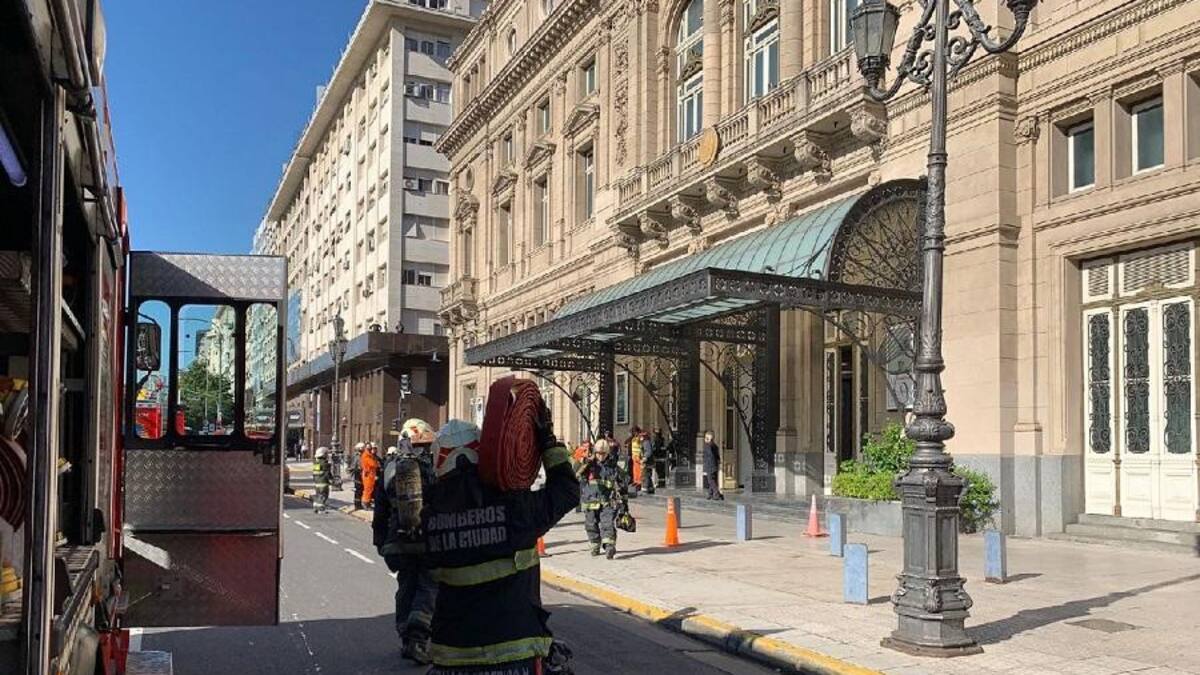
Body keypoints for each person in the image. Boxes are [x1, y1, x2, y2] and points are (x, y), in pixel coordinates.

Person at [423, 395, 579, 674]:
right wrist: (547, 441)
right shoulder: (514, 505)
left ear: (438, 461)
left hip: (453, 654)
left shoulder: (429, 516)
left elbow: (406, 566)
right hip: (516, 650)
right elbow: (566, 492)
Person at [373, 430, 438, 664]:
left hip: (396, 543)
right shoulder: (430, 467)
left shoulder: (390, 468)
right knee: (429, 586)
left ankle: (405, 637)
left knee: (406, 585)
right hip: (425, 541)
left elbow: (379, 511)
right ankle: (418, 638)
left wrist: (380, 540)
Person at [577, 439, 628, 559]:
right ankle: (595, 545)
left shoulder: (613, 466)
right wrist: (584, 462)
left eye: (603, 453)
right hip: (590, 501)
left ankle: (609, 547)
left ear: (607, 453)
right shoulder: (588, 465)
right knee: (591, 525)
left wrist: (624, 505)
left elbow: (623, 483)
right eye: (598, 453)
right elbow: (575, 473)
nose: (601, 456)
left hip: (607, 502)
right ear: (595, 452)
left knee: (607, 524)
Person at [702, 430, 724, 501]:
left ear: (709, 439)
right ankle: (710, 494)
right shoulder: (715, 446)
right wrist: (719, 462)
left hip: (710, 466)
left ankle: (717, 493)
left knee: (710, 480)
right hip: (715, 465)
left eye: (706, 438)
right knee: (713, 480)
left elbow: (710, 456)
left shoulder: (708, 446)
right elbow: (717, 456)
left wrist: (705, 467)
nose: (705, 439)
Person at [311, 446, 332, 514]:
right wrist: (331, 480)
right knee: (324, 496)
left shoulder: (316, 464)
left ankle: (316, 507)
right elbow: (327, 474)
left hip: (317, 483)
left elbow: (314, 474)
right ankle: (321, 509)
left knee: (318, 495)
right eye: (326, 454)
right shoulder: (325, 464)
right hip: (323, 483)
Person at [361, 442, 381, 508]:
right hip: (368, 475)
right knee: (368, 489)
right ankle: (366, 504)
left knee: (369, 489)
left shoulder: (369, 455)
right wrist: (377, 464)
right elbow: (373, 464)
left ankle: (367, 502)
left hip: (370, 474)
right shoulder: (367, 455)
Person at [640, 428, 656, 494]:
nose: (641, 437)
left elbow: (648, 452)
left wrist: (644, 459)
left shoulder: (646, 442)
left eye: (642, 436)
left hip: (647, 462)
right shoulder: (646, 442)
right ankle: (650, 488)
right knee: (648, 475)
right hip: (649, 462)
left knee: (645, 475)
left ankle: (645, 488)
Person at [351, 441, 366, 509]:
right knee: (358, 490)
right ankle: (357, 504)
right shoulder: (357, 456)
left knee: (361, 490)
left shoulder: (363, 455)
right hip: (358, 475)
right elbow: (354, 466)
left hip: (362, 474)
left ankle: (360, 503)